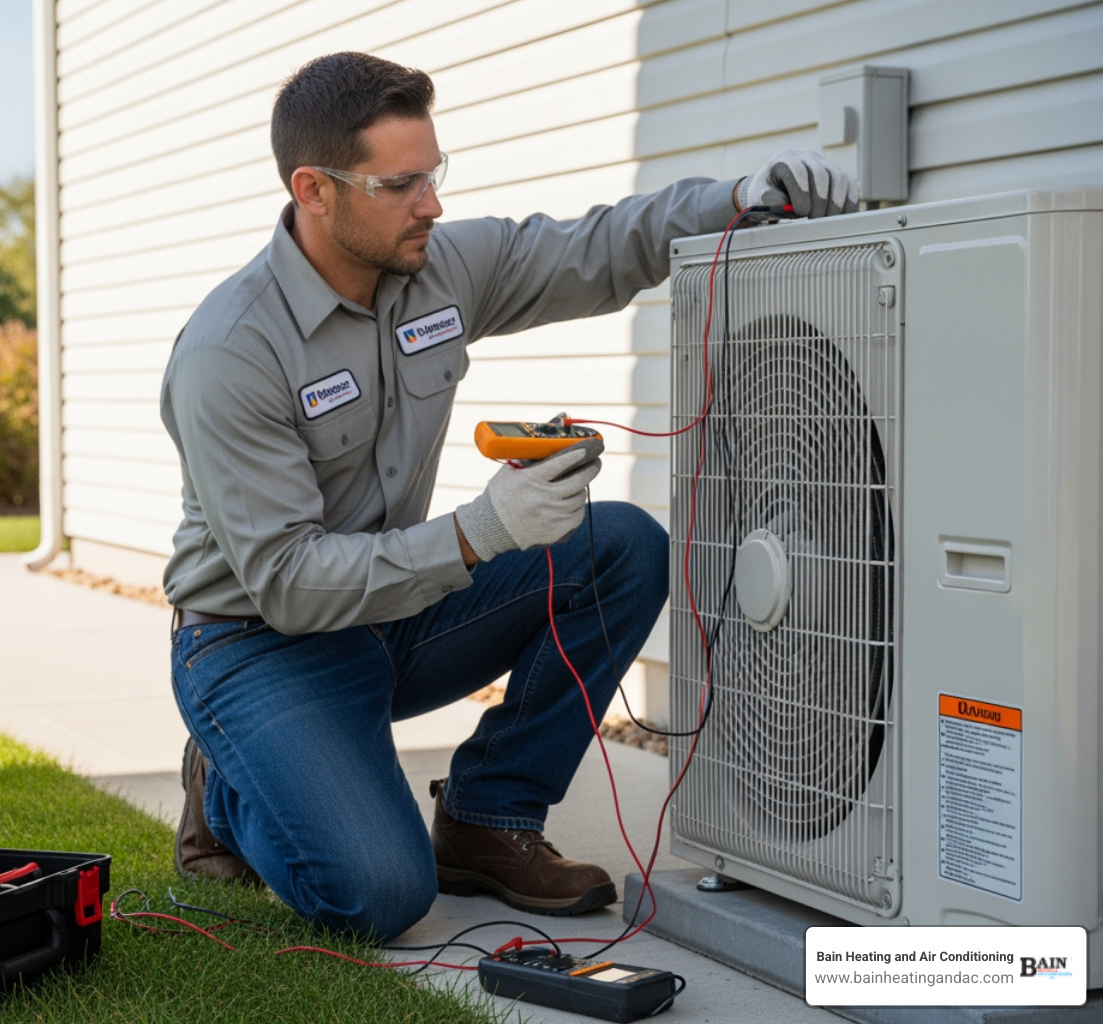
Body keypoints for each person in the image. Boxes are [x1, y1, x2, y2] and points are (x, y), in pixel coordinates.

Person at [159, 51, 857, 941]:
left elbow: (597, 246)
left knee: (623, 549)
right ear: (314, 190)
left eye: (434, 174)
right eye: (400, 184)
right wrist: (479, 531)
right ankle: (226, 789)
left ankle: (489, 816)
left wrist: (739, 198)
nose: (431, 204)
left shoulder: (440, 268)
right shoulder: (232, 350)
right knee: (379, 894)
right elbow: (289, 582)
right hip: (258, 644)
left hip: (390, 615)